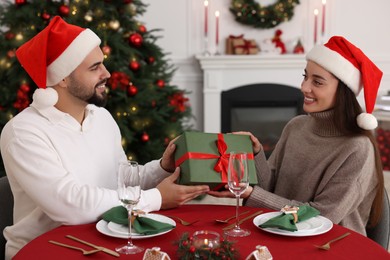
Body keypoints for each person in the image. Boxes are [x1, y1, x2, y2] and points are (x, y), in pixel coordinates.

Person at [0, 16, 209, 259]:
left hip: (103, 241)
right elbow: (71, 205)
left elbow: (121, 181)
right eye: (94, 67)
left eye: (103, 64)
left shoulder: (100, 117)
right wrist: (157, 198)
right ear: (63, 78)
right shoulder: (24, 132)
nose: (107, 73)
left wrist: (163, 168)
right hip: (46, 251)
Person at [209, 36, 385, 236]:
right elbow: (271, 187)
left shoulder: (357, 148)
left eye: (317, 82)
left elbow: (321, 216)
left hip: (331, 243)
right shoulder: (296, 126)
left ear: (343, 91)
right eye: (305, 77)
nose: (304, 87)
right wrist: (256, 154)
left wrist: (252, 194)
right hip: (282, 232)